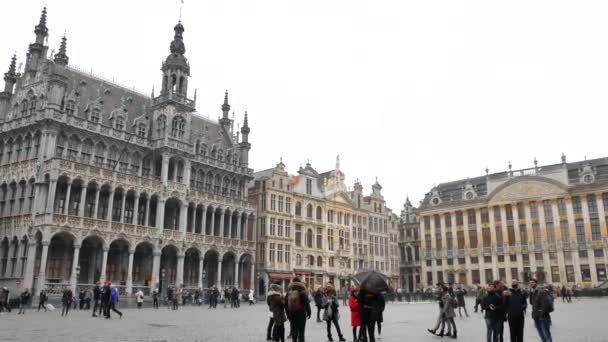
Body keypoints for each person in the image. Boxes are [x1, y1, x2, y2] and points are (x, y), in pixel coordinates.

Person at [286, 277, 312, 342]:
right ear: (300, 282)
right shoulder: (302, 291)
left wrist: (288, 314)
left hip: (292, 313)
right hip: (301, 313)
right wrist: (309, 312)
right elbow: (306, 303)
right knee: (301, 332)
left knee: (294, 331)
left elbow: (285, 304)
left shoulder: (289, 291)